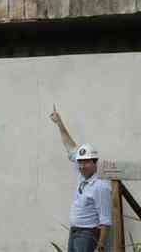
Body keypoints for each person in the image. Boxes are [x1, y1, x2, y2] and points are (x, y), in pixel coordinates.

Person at [50, 105, 112, 252]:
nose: (82, 166)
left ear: (95, 162)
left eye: (86, 162)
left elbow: (105, 221)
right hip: (74, 232)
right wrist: (59, 123)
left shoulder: (100, 186)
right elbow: (69, 145)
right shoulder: (82, 176)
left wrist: (100, 247)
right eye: (80, 162)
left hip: (88, 235)